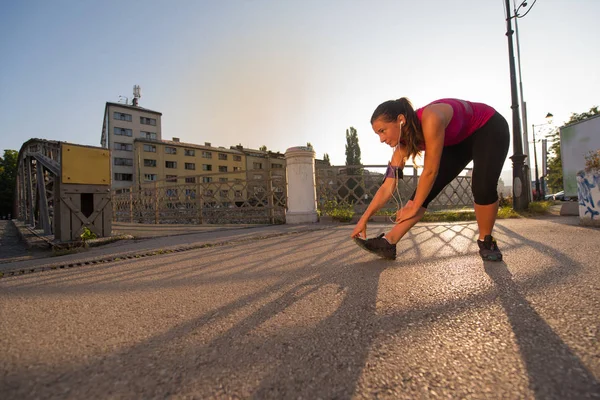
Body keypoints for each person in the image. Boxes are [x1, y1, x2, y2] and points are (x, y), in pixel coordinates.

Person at [351, 97, 509, 261]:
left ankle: (486, 241)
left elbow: (430, 171)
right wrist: (364, 219)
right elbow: (387, 187)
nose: (381, 139)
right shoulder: (402, 147)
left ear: (400, 120)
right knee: (424, 191)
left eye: (382, 131)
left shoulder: (431, 117)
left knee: (482, 186)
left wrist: (413, 207)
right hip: (456, 141)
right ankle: (388, 242)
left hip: (488, 127)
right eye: (378, 134)